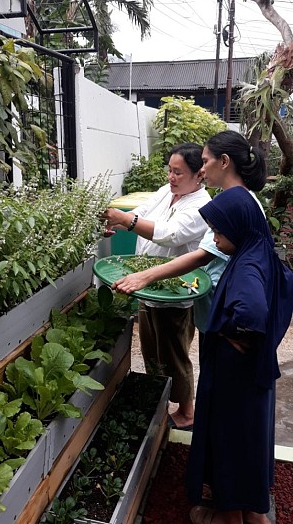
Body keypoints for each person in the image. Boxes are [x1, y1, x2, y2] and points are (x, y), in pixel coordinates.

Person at [187, 186, 293, 524]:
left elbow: (251, 311)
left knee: (229, 441)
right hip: (252, 375)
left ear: (238, 227)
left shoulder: (246, 266)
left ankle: (229, 517)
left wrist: (229, 332)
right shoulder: (261, 249)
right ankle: (254, 514)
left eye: (219, 231)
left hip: (235, 376)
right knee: (249, 441)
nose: (215, 239)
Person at [112, 131, 267, 353]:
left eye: (204, 162)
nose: (203, 170)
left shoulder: (234, 203)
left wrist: (145, 275)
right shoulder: (233, 198)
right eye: (170, 170)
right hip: (218, 311)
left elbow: (200, 253)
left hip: (228, 315)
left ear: (224, 161)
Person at [101, 143, 211, 429]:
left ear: (199, 174)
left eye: (178, 172)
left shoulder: (201, 206)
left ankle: (187, 411)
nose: (171, 177)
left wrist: (128, 219)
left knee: (174, 354)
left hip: (174, 292)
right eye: (170, 170)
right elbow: (143, 211)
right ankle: (160, 398)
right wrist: (120, 223)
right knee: (151, 350)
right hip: (146, 284)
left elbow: (170, 234)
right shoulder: (168, 192)